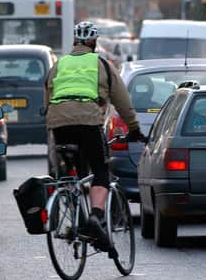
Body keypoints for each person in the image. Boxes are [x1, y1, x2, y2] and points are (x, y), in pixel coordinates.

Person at [45, 21, 145, 253]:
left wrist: (51, 130)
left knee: (75, 173)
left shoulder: (58, 65)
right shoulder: (102, 64)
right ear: (94, 42)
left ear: (74, 42)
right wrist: (134, 128)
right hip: (88, 122)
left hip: (58, 124)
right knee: (100, 170)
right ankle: (96, 217)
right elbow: (122, 101)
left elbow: (48, 97)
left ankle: (75, 211)